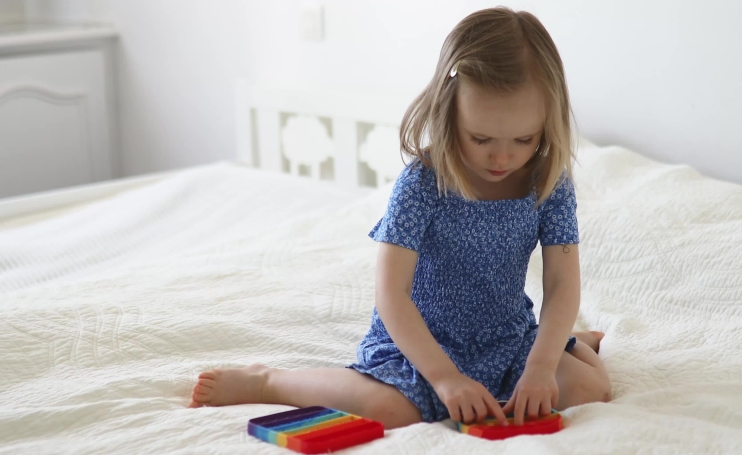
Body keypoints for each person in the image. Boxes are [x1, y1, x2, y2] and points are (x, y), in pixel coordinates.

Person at [189, 6, 611, 429]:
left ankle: (568, 344)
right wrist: (445, 379)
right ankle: (270, 382)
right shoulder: (422, 184)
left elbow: (561, 283)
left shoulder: (549, 184)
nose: (502, 157)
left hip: (507, 339)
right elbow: (391, 293)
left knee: (586, 390)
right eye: (480, 138)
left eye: (524, 139)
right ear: (449, 112)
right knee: (392, 412)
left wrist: (540, 367)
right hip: (420, 342)